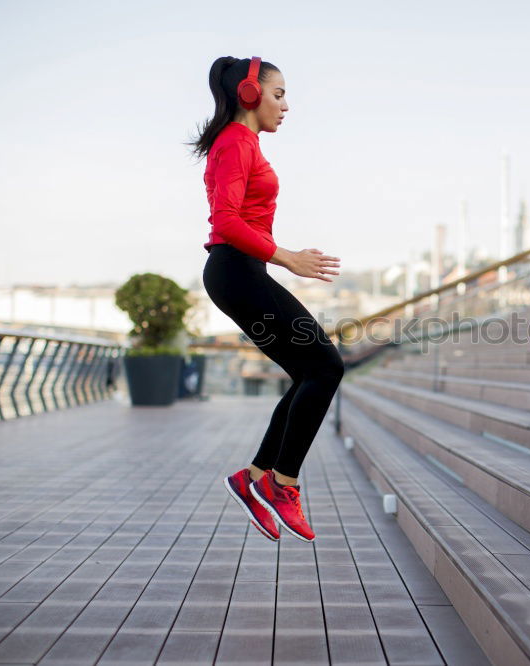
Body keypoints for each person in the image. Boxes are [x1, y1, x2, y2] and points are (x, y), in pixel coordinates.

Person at [187, 56, 345, 543]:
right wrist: (289, 258)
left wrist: (277, 258)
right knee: (326, 367)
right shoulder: (235, 142)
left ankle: (256, 477)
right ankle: (283, 484)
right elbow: (228, 220)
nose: (286, 105)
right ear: (250, 95)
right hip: (236, 270)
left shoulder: (243, 143)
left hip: (239, 271)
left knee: (310, 372)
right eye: (278, 94)